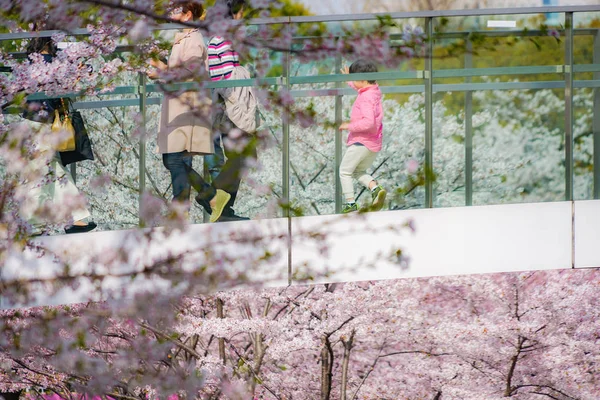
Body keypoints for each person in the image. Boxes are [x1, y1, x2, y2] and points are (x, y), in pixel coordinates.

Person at [22, 35, 97, 234]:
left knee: (45, 169)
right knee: (47, 170)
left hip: (36, 122)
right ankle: (70, 218)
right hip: (45, 122)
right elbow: (84, 72)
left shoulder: (32, 60)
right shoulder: (52, 61)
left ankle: (44, 222)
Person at [150, 2, 217, 211]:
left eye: (176, 11)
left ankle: (180, 209)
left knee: (174, 158)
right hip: (179, 105)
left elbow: (190, 70)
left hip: (188, 107)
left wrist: (162, 72)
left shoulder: (194, 40)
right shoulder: (182, 39)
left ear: (188, 15)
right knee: (172, 159)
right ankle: (207, 194)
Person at [195, 0, 257, 223]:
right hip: (229, 104)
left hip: (221, 104)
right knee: (244, 154)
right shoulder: (225, 40)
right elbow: (229, 79)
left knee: (239, 156)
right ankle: (210, 196)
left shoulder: (216, 39)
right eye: (241, 13)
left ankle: (223, 210)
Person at [338, 59, 386, 213]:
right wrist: (350, 80)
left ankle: (350, 203)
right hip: (373, 143)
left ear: (363, 79)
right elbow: (360, 87)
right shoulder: (373, 92)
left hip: (361, 142)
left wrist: (348, 126)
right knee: (358, 172)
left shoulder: (365, 98)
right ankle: (376, 189)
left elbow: (368, 123)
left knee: (344, 171)